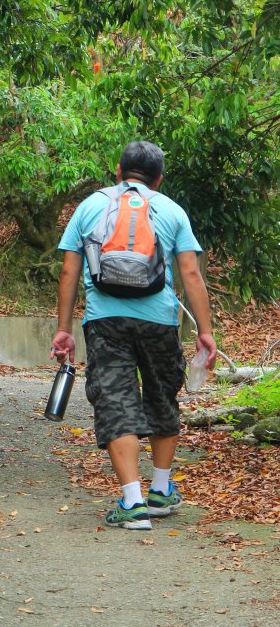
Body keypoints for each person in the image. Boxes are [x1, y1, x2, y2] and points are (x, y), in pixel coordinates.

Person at [50, 140, 217, 531]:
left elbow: (69, 273)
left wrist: (64, 328)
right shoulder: (171, 210)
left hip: (105, 320)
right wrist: (204, 332)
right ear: (158, 178)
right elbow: (191, 274)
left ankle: (132, 502)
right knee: (161, 394)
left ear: (118, 171)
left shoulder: (90, 206)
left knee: (116, 402)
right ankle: (160, 491)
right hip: (159, 321)